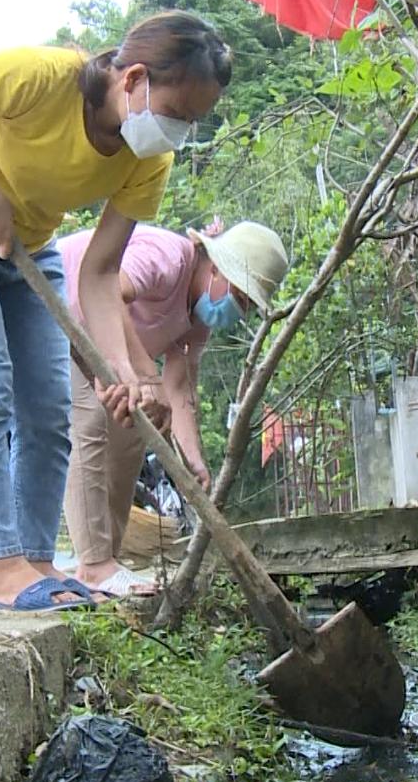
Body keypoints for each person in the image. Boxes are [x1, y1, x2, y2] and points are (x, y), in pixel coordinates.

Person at [0, 12, 232, 612]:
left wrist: (121, 370)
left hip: (31, 247)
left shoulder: (148, 158)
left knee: (47, 410)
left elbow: (99, 272)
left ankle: (37, 562)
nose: (179, 134)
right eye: (178, 114)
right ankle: (1, 567)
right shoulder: (39, 78)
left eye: (192, 124)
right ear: (135, 80)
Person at [57, 220, 288, 597]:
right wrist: (146, 375)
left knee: (134, 427)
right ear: (217, 270)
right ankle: (95, 564)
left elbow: (179, 389)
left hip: (104, 348)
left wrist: (191, 461)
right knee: (90, 424)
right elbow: (108, 292)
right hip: (63, 311)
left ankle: (104, 560)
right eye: (241, 298)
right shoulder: (168, 256)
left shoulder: (197, 320)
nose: (238, 311)